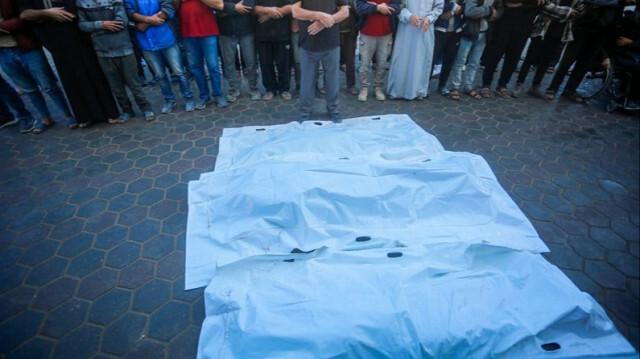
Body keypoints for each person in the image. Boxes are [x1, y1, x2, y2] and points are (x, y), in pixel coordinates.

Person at [19, 0, 119, 128]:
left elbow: (74, 9)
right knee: (69, 76)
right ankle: (84, 116)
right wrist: (48, 13)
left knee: (93, 70)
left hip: (78, 31)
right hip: (54, 36)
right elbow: (25, 14)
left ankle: (109, 112)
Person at [1, 0, 74, 133]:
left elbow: (25, 17)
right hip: (3, 52)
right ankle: (46, 118)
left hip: (26, 46)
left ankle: (69, 114)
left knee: (48, 85)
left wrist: (4, 26)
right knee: (28, 89)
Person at [77, 0, 156, 122]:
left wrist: (97, 31)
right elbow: (82, 25)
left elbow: (121, 22)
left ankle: (146, 108)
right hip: (102, 51)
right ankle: (127, 111)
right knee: (116, 86)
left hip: (124, 48)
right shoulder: (81, 2)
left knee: (134, 83)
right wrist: (102, 24)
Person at [545, 0, 628, 102]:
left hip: (604, 29)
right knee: (569, 59)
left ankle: (569, 90)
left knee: (585, 63)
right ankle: (553, 88)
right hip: (585, 24)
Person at [124, 0, 195, 113]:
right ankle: (169, 100)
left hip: (167, 37)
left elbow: (167, 8)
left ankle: (189, 98)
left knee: (179, 72)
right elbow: (128, 13)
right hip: (146, 42)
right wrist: (149, 20)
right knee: (160, 75)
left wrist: (146, 22)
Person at [513, 0, 585, 99]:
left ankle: (535, 86)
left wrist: (555, 12)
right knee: (530, 57)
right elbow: (546, 6)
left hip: (560, 32)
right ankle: (519, 83)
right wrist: (568, 12)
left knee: (546, 61)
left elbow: (578, 13)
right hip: (542, 28)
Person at [292, 0, 348, 122]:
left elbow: (345, 11)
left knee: (332, 80)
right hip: (308, 44)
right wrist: (319, 15)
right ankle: (305, 110)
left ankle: (333, 109)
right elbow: (295, 11)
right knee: (307, 81)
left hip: (331, 42)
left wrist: (327, 21)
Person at [478, 0, 541, 99]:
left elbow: (537, 6)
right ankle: (486, 84)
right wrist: (526, 4)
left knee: (513, 58)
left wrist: (521, 4)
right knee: (494, 55)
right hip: (504, 24)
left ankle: (502, 85)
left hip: (523, 28)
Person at [386, 0, 444, 100]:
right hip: (407, 27)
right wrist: (409, 16)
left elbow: (438, 7)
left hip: (425, 28)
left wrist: (429, 19)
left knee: (421, 59)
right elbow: (399, 5)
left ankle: (418, 90)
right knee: (403, 58)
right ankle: (398, 90)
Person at [447, 0, 501, 100]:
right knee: (460, 61)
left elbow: (497, 13)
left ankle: (468, 86)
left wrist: (485, 12)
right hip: (469, 31)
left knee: (474, 62)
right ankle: (455, 87)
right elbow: (470, 11)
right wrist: (489, 11)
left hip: (484, 32)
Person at [179, 0, 228, 109]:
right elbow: (174, 7)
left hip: (208, 30)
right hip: (188, 32)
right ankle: (204, 96)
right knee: (196, 68)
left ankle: (218, 94)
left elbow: (218, 3)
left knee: (213, 66)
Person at [355, 0, 401, 101]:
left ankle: (378, 87)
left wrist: (378, 7)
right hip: (367, 33)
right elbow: (359, 7)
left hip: (386, 33)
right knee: (364, 64)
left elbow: (397, 7)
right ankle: (364, 88)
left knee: (382, 64)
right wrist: (378, 8)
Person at [217, 0, 260, 101]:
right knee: (229, 63)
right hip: (225, 31)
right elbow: (217, 7)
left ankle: (253, 88)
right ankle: (233, 89)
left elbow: (249, 5)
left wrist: (227, 9)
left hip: (246, 29)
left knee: (251, 61)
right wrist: (235, 7)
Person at [253, 0, 293, 100]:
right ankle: (270, 89)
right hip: (262, 33)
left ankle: (284, 89)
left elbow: (292, 6)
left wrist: (269, 15)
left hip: (283, 32)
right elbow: (251, 7)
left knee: (283, 63)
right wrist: (269, 10)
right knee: (265, 63)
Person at [431, 0, 463, 97]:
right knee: (432, 59)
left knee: (449, 61)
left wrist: (455, 10)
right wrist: (454, 7)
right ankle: (423, 85)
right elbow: (438, 7)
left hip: (455, 32)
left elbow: (467, 8)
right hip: (439, 31)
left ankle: (442, 85)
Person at [339, 0, 358, 96]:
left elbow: (358, 7)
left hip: (350, 30)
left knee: (350, 60)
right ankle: (327, 84)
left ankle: (351, 85)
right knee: (329, 60)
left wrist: (345, 6)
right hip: (333, 29)